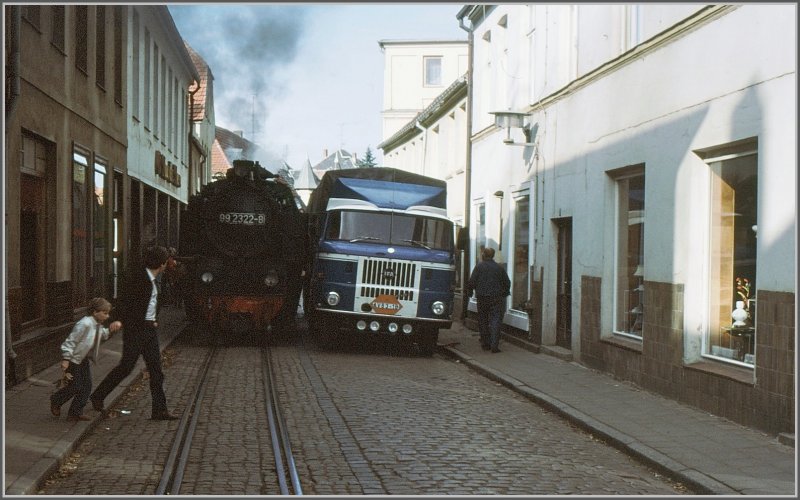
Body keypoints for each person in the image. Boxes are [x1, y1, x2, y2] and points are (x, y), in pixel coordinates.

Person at [90, 245, 179, 420]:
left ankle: (159, 410)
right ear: (161, 264)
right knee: (126, 367)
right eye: (166, 262)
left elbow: (150, 304)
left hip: (149, 330)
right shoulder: (139, 279)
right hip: (136, 330)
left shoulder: (153, 280)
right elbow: (126, 303)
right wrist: (119, 320)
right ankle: (98, 396)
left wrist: (153, 320)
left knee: (156, 371)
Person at [50, 297, 118, 421]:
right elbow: (70, 341)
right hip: (73, 360)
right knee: (75, 386)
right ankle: (56, 399)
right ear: (95, 312)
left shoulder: (97, 325)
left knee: (86, 386)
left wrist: (112, 329)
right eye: (105, 313)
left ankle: (75, 412)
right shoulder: (84, 324)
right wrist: (66, 359)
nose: (107, 316)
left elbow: (103, 334)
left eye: (108, 313)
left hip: (83, 359)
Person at [466, 247, 511, 353]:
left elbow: (472, 281)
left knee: (483, 320)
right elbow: (507, 282)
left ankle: (485, 344)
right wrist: (505, 292)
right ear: (493, 256)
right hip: (496, 297)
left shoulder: (479, 267)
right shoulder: (499, 268)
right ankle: (494, 345)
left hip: (482, 297)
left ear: (484, 255)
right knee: (496, 320)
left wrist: (470, 292)